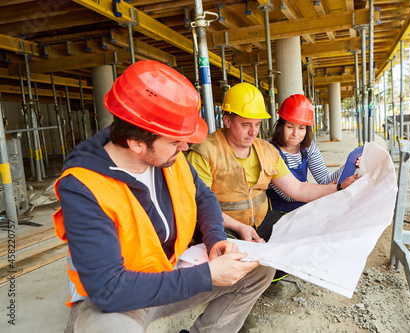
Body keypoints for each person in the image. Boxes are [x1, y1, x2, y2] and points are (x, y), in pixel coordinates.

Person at [53, 60, 274, 333]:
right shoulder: (82, 187)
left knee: (260, 268)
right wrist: (207, 275)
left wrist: (216, 239)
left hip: (169, 271)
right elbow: (108, 289)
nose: (185, 147)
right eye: (175, 141)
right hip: (118, 297)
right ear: (136, 142)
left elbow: (203, 197)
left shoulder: (169, 156)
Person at [187, 83, 358, 244]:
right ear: (227, 121)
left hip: (260, 220)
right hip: (224, 225)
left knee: (307, 231)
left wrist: (339, 187)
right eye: (246, 124)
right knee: (241, 259)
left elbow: (297, 189)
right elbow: (202, 205)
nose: (253, 132)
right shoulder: (204, 152)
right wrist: (240, 227)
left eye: (257, 124)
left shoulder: (265, 150)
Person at [267, 94, 356, 213]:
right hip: (278, 210)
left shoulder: (308, 148)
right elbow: (290, 194)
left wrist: (349, 165)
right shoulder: (270, 152)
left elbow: (324, 180)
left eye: (301, 128)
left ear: (307, 130)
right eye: (290, 126)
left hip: (303, 200)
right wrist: (334, 188)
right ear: (280, 126)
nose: (295, 133)